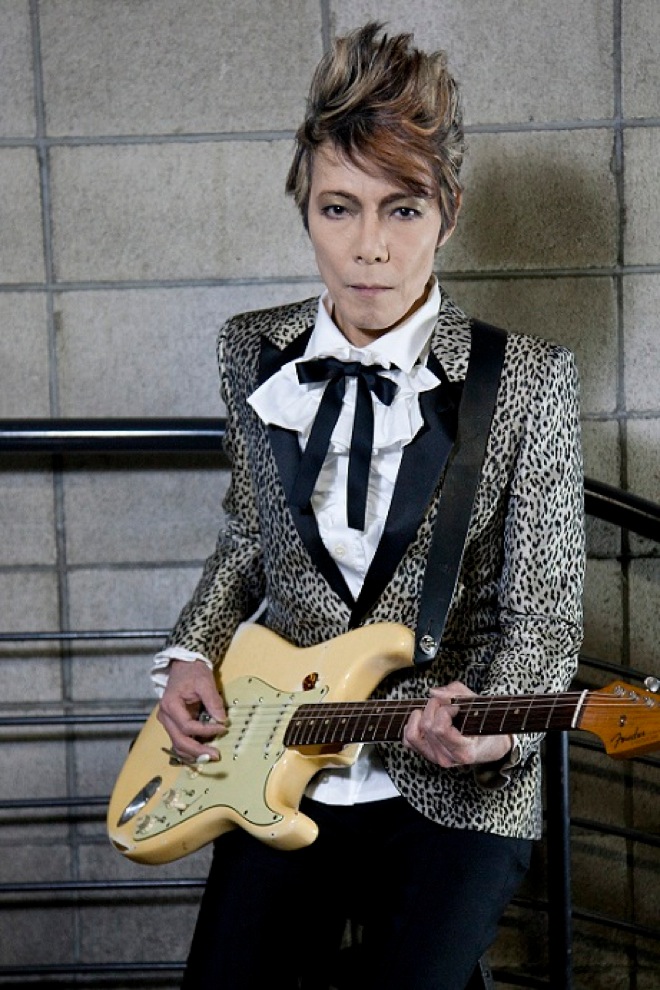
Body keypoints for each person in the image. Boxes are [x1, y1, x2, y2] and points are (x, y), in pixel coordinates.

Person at [152, 22, 585, 990]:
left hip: (455, 788)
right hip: (278, 756)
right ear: (305, 207)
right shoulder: (250, 352)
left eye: (403, 209)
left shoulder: (528, 381)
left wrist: (495, 727)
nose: (370, 249)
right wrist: (189, 654)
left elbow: (545, 615)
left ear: (449, 214)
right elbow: (250, 534)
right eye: (339, 208)